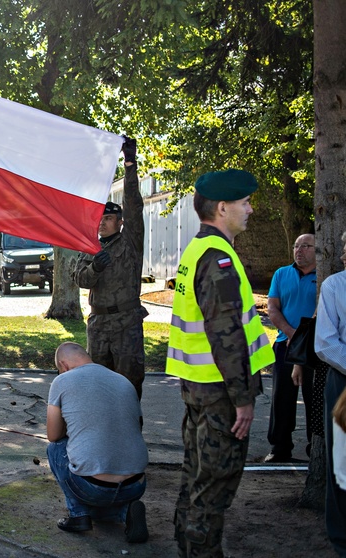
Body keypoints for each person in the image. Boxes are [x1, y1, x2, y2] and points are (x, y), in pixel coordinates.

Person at [167, 169, 275, 558]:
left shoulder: (197, 249)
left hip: (200, 388)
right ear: (223, 207)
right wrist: (243, 399)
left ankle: (187, 547)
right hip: (221, 394)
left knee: (196, 480)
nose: (250, 209)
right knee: (213, 489)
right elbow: (226, 335)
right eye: (245, 203)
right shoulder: (218, 258)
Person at [45, 342, 149, 544]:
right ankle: (126, 511)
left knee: (56, 449)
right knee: (106, 485)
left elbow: (53, 434)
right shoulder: (123, 381)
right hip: (136, 484)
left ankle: (78, 515)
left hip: (92, 488)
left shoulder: (62, 381)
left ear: (63, 365)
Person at [75, 137, 148, 398]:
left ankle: (129, 436)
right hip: (98, 325)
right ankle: (103, 436)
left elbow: (134, 205)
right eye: (100, 219)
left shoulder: (130, 242)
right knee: (99, 388)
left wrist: (130, 164)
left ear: (119, 222)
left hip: (126, 324)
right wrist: (95, 267)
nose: (103, 224)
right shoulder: (90, 247)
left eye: (109, 218)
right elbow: (81, 280)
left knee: (128, 387)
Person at [265, 233, 318, 462]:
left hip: (316, 348)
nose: (299, 250)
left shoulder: (324, 277)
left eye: (306, 246)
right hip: (284, 344)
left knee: (314, 398)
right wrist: (291, 333)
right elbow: (273, 308)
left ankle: (314, 449)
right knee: (282, 397)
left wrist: (302, 338)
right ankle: (279, 448)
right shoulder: (281, 274)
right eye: (297, 245)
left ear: (317, 250)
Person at [314, 230, 346, 556]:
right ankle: (341, 537)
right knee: (341, 459)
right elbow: (324, 342)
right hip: (342, 383)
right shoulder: (334, 286)